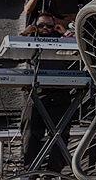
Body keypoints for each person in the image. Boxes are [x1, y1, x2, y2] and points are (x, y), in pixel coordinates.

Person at [20, 13, 75, 178]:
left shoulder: (62, 40)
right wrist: (26, 32)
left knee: (60, 134)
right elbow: (13, 46)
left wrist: (64, 32)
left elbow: (79, 45)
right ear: (35, 26)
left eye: (49, 26)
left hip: (60, 93)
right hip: (36, 92)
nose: (45, 29)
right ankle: (31, 172)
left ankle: (52, 173)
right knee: (30, 133)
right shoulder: (30, 40)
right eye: (41, 25)